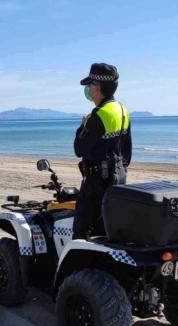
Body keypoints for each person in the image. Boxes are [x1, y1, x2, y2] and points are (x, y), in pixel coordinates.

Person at [72, 63, 131, 239]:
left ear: (97, 87)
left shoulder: (98, 115)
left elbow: (79, 149)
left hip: (97, 181)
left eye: (89, 85)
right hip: (119, 175)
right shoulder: (122, 110)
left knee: (82, 230)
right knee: (107, 226)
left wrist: (82, 125)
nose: (88, 89)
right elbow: (127, 150)